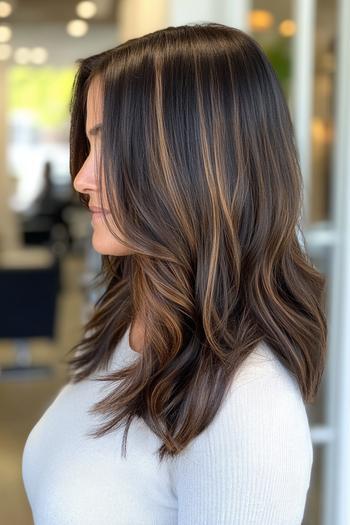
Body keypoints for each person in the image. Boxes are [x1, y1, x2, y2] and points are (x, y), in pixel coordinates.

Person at [22, 23, 327, 524]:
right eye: (88, 146)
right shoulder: (128, 320)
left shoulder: (248, 409)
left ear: (193, 163)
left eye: (108, 146)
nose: (82, 177)